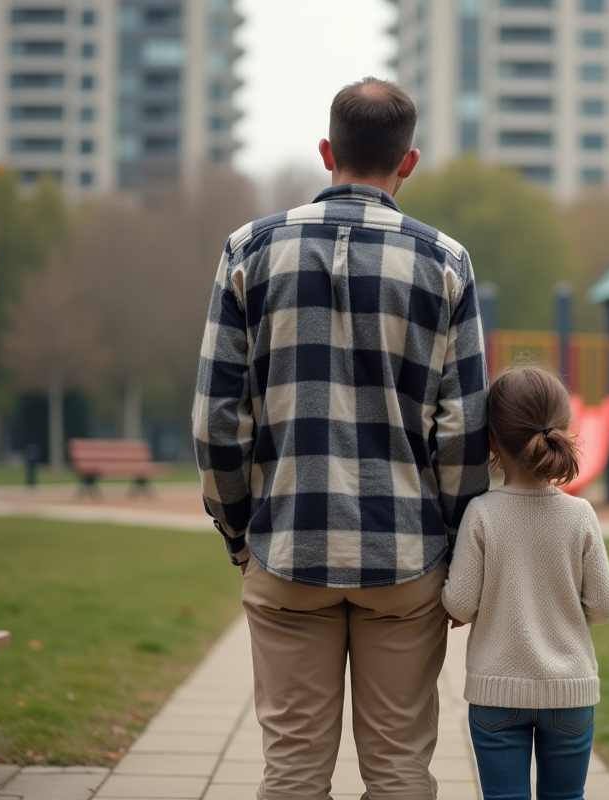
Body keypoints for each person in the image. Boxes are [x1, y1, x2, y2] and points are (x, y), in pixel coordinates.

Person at [193, 77, 489, 800]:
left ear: (327, 152)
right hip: (406, 558)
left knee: (291, 772)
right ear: (408, 162)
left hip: (287, 548)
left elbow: (216, 421)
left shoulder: (247, 250)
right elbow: (464, 431)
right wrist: (451, 550)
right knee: (399, 772)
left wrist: (240, 533)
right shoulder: (446, 263)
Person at [442, 365, 609, 800]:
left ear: (492, 441)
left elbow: (461, 604)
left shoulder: (481, 513)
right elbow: (605, 605)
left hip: (495, 693)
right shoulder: (580, 516)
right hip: (570, 694)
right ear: (563, 429)